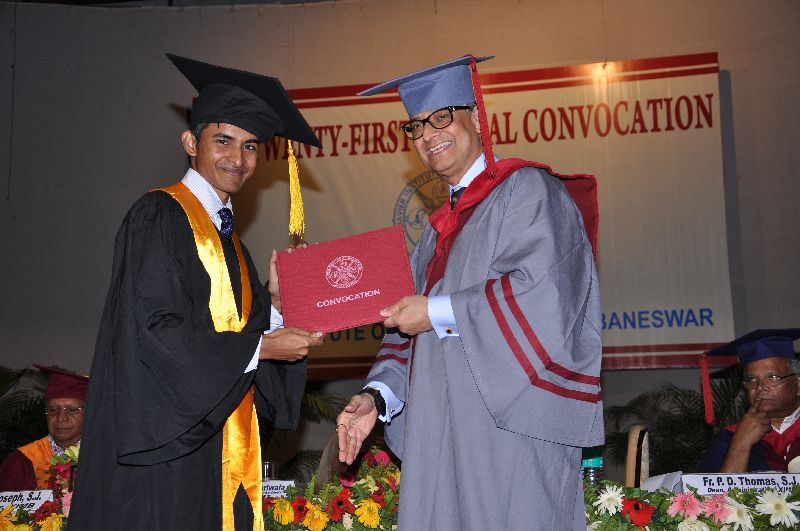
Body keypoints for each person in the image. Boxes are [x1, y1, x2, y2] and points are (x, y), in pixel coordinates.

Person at [335, 55, 603, 530]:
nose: (428, 135)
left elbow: (545, 295)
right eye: (416, 126)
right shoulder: (434, 234)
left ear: (476, 117)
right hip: (437, 434)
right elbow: (404, 335)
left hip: (509, 430)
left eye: (442, 117)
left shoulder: (527, 190)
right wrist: (376, 397)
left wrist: (436, 311)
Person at [69, 55, 324, 531]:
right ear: (191, 143)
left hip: (218, 447)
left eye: (250, 146)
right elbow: (153, 332)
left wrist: (276, 306)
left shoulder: (232, 243)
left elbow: (239, 338)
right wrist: (263, 347)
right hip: (168, 451)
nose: (238, 159)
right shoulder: (159, 216)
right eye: (223, 140)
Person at [698, 329, 800, 473]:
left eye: (772, 377)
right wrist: (741, 444)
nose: (760, 387)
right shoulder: (728, 438)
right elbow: (710, 488)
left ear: (798, 384)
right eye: (751, 379)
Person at [0, 365, 88, 491]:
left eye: (72, 409)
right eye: (53, 409)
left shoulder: (104, 458)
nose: (61, 418)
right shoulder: (20, 461)